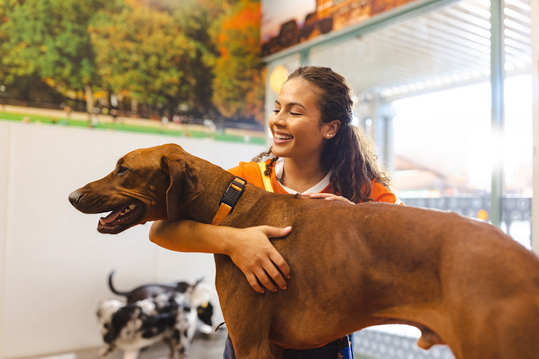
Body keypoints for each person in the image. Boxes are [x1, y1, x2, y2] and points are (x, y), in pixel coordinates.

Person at [149, 66, 401, 359]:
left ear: (329, 127)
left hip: (328, 350)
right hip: (245, 343)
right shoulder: (243, 182)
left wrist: (357, 221)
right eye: (277, 108)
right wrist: (235, 242)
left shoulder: (360, 189)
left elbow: (408, 243)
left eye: (294, 113)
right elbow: (161, 230)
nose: (277, 121)